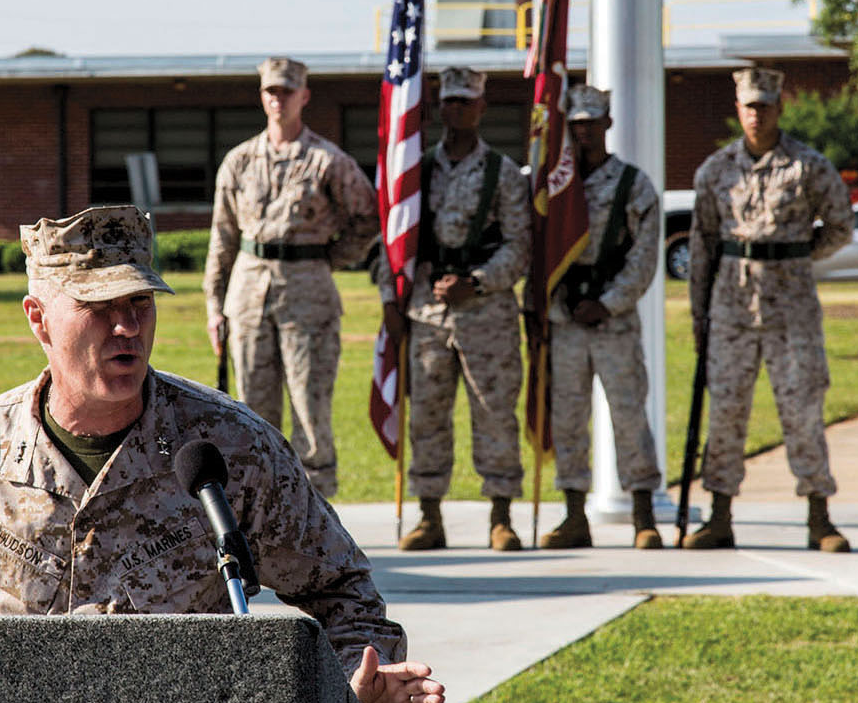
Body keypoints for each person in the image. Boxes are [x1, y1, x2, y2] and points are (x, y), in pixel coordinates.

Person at [0, 204, 444, 703]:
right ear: (38, 319)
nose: (126, 327)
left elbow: (344, 591)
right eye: (98, 307)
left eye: (140, 303)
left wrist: (355, 682)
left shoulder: (232, 449)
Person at [685, 67, 855, 551]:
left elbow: (841, 226)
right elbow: (703, 246)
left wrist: (797, 254)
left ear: (779, 108)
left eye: (764, 106)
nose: (756, 115)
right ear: (737, 110)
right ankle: (719, 515)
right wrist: (700, 314)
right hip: (732, 307)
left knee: (802, 407)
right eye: (748, 106)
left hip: (792, 307)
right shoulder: (715, 170)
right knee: (727, 412)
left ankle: (819, 516)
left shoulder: (808, 165)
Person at [203, 57, 379, 498]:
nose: (277, 99)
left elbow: (368, 218)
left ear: (304, 96)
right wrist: (214, 306)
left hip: (308, 295)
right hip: (247, 294)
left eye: (286, 91)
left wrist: (326, 260)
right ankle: (258, 512)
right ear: (262, 96)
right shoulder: (239, 161)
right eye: (270, 91)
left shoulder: (328, 160)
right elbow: (222, 240)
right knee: (251, 412)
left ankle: (315, 515)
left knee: (309, 408)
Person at [385, 67, 531, 552]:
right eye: (448, 102)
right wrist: (394, 298)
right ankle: (429, 516)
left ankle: (501, 516)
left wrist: (477, 282)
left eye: (465, 102)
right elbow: (394, 242)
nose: (456, 110)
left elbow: (519, 247)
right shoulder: (415, 172)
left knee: (494, 414)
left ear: (482, 108)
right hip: (428, 313)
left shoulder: (503, 173)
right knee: (426, 415)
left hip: (486, 312)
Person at [537, 84, 664, 551]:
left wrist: (608, 302)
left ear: (608, 123)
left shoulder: (634, 185)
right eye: (576, 124)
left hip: (613, 318)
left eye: (592, 122)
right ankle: (574, 515)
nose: (584, 131)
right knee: (568, 417)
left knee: (629, 413)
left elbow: (645, 257)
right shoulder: (556, 184)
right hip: (566, 316)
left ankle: (644, 516)